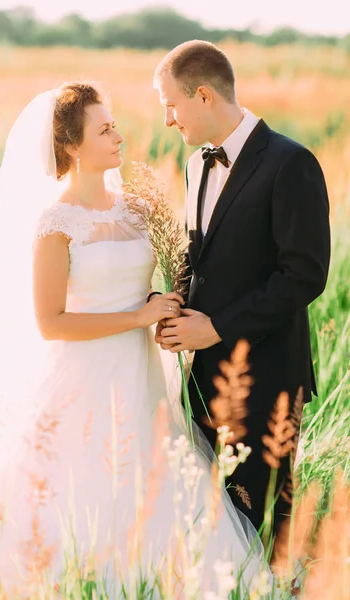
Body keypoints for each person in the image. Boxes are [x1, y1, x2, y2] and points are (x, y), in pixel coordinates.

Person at [0, 82, 269, 597]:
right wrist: (138, 316)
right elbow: (51, 322)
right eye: (105, 129)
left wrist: (165, 311)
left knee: (155, 479)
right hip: (81, 377)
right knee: (83, 483)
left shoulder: (136, 209)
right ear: (73, 146)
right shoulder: (54, 224)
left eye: (114, 124)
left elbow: (150, 285)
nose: (119, 135)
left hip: (140, 373)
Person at [153, 40, 330, 534]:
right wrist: (168, 308)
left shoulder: (290, 163)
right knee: (217, 527)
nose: (168, 119)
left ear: (204, 95)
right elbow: (199, 260)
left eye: (171, 104)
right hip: (204, 382)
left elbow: (305, 275)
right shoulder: (195, 167)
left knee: (268, 527)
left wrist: (217, 329)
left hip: (267, 382)